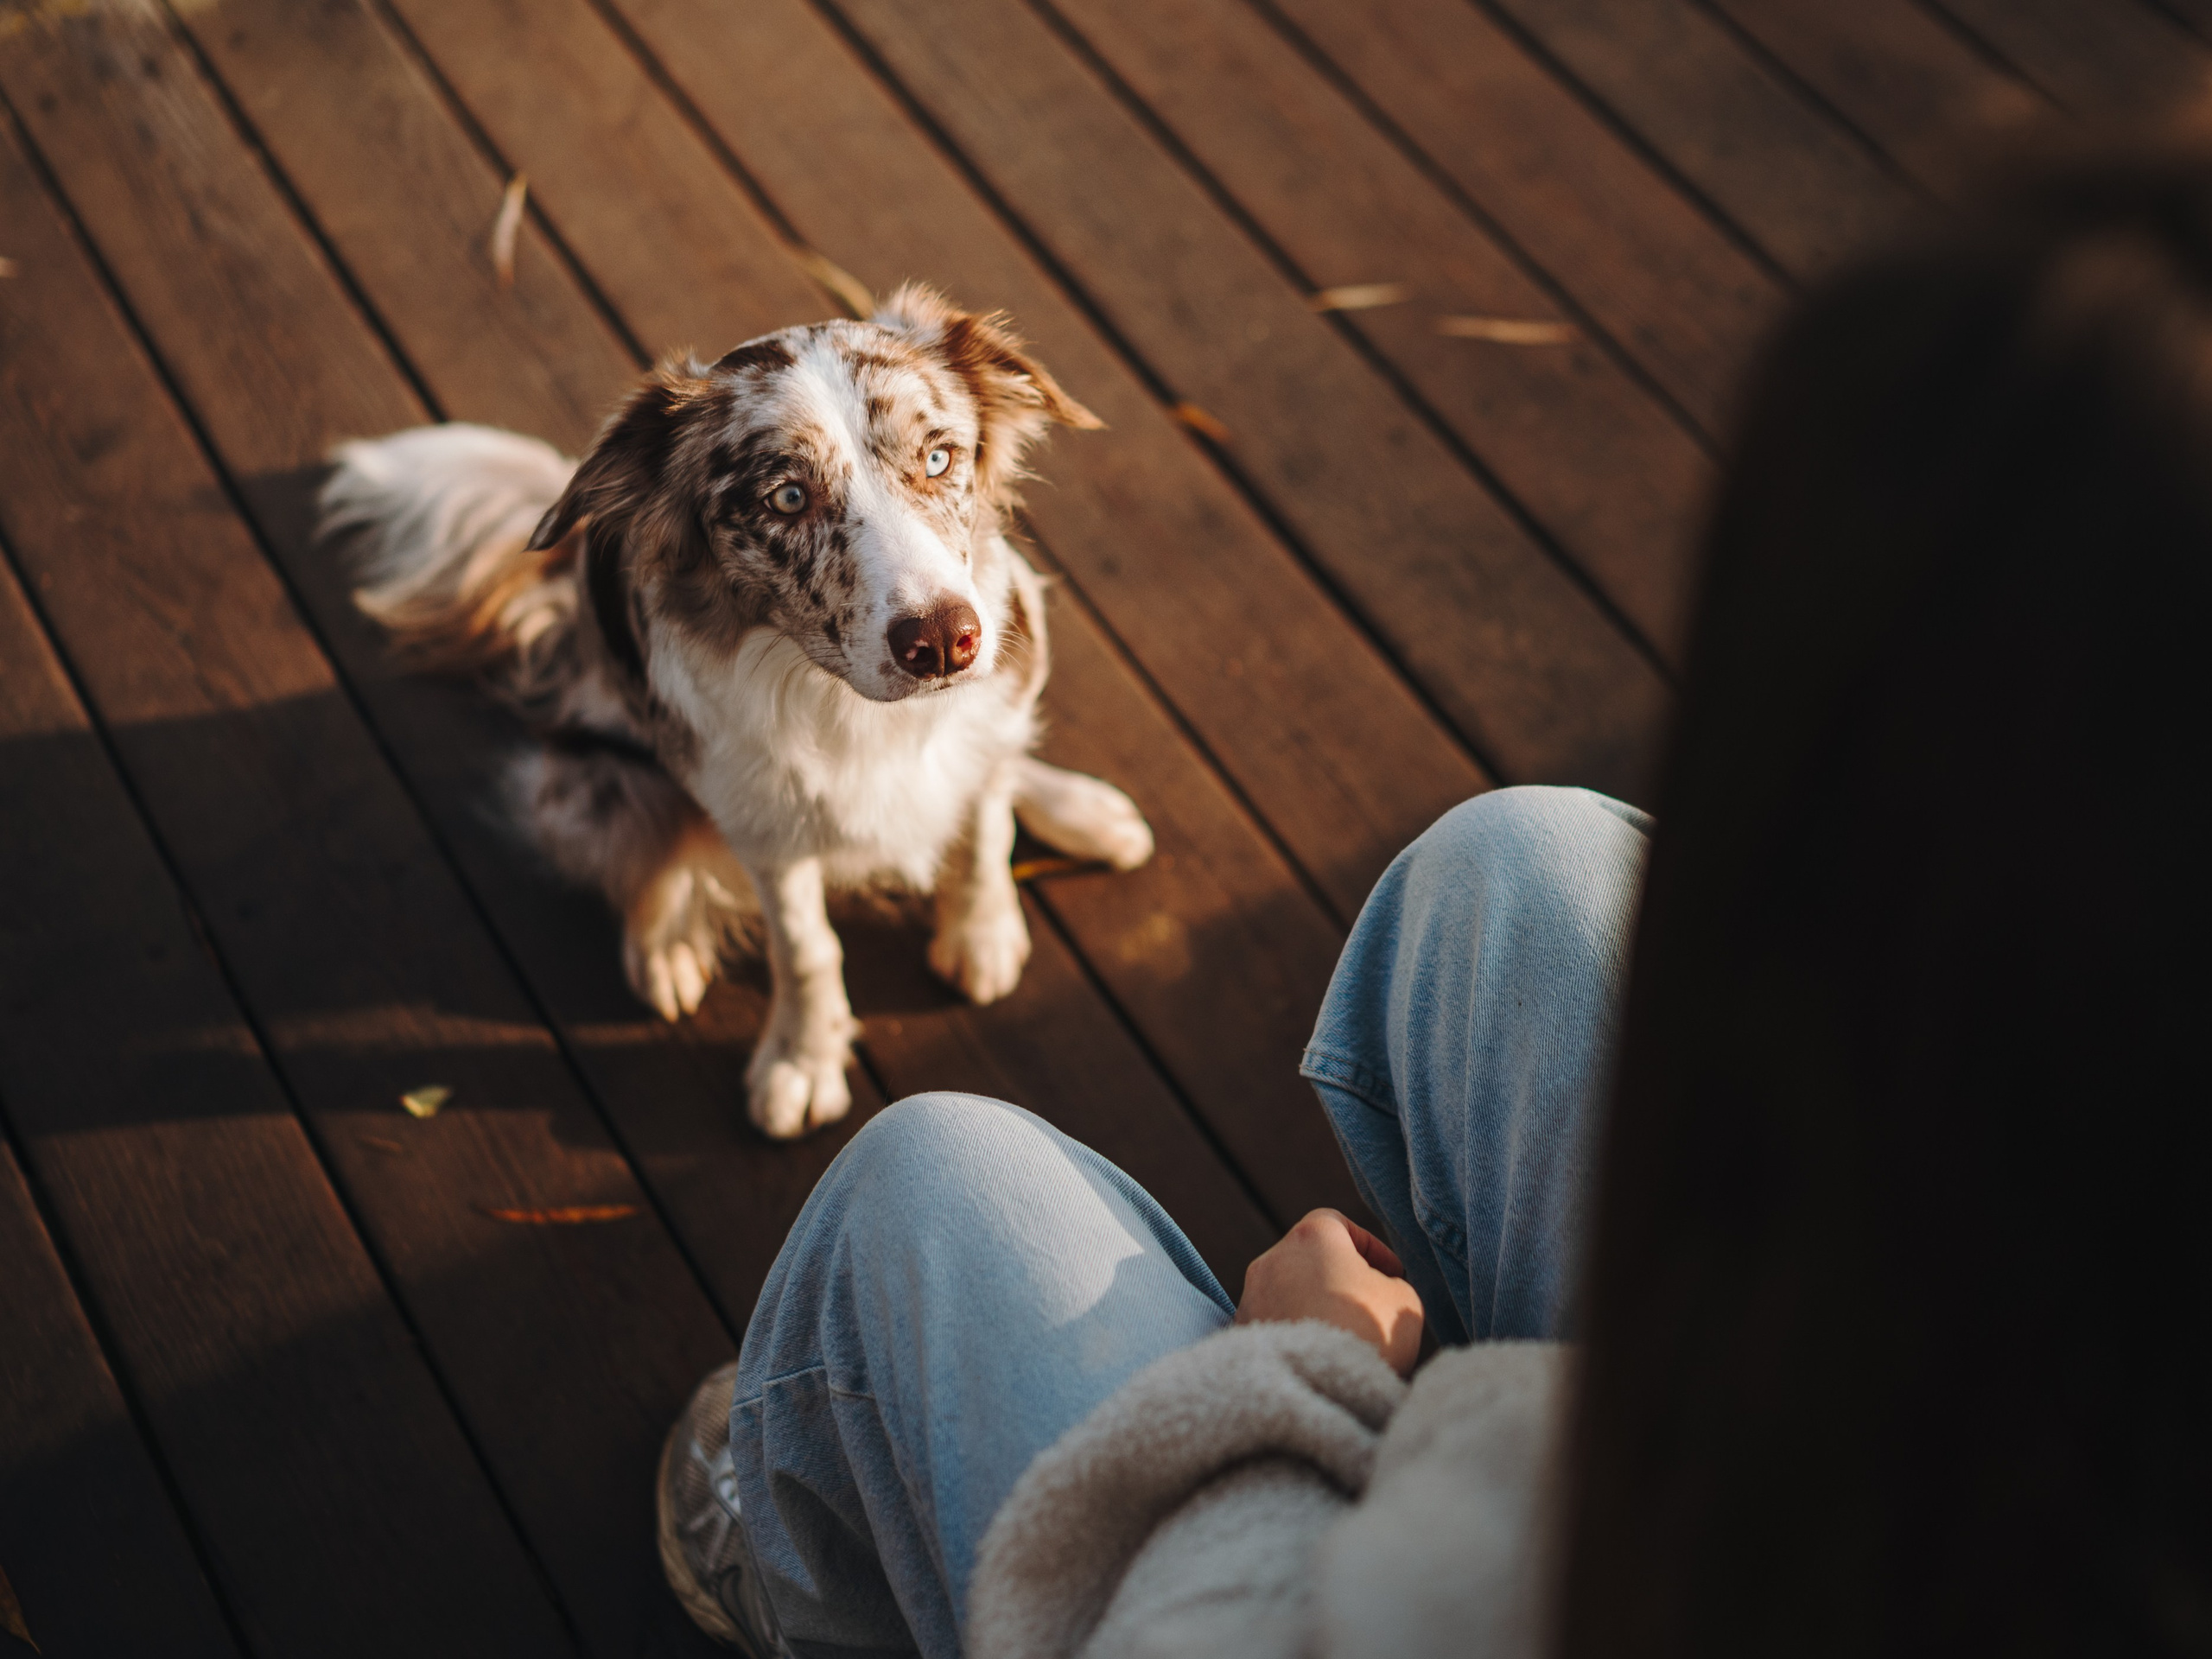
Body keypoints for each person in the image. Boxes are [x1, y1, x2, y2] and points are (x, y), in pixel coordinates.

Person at [655, 136, 2212, 1659]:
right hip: (1697, 1405)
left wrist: (1301, 1388)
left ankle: (797, 1575)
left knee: (928, 1180)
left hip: (1418, 1573)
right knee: (1516, 863)